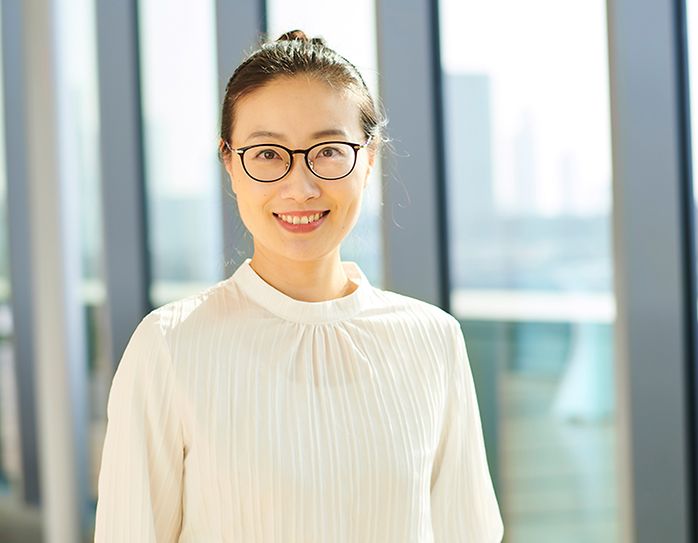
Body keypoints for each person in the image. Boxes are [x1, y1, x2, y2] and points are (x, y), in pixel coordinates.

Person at [93, 30, 503, 542]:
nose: (301, 187)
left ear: (369, 157)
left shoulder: (433, 340)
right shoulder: (170, 345)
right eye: (267, 154)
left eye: (329, 150)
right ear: (229, 162)